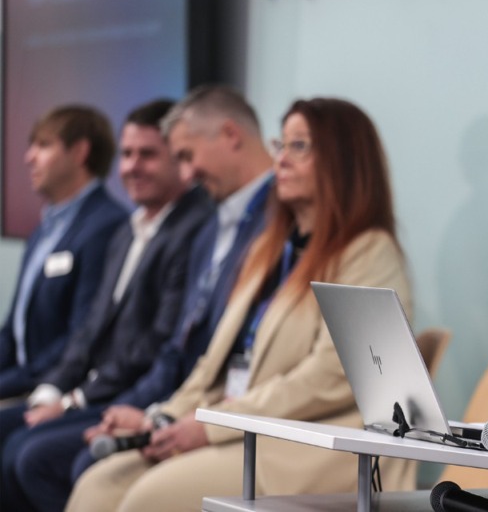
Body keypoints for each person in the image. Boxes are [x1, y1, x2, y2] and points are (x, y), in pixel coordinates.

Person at [67, 97, 417, 511]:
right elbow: (214, 364)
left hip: (303, 446)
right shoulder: (269, 250)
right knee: (98, 484)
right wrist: (161, 417)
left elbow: (331, 376)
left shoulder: (369, 252)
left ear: (343, 159)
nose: (281, 160)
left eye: (299, 147)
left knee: (146, 499)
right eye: (280, 145)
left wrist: (211, 427)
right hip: (241, 428)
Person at [0, 99, 213, 511]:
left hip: (133, 397)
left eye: (147, 154)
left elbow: (156, 344)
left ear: (181, 160)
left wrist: (72, 401)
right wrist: (53, 392)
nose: (131, 166)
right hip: (92, 390)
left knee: (29, 456)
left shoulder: (190, 231)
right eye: (127, 154)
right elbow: (89, 331)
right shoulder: (128, 231)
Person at [63, 85, 274, 489]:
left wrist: (162, 416)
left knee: (74, 466)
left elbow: (247, 359)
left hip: (231, 418)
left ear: (230, 135)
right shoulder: (211, 229)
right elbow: (182, 347)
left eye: (187, 156)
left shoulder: (277, 225)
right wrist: (154, 413)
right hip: (185, 405)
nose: (188, 174)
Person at [0, 105, 128, 401]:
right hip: (22, 379)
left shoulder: (107, 226)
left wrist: (11, 382)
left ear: (80, 151)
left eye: (43, 145)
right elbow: (12, 327)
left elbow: (81, 333)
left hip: (56, 386)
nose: (29, 157)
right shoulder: (44, 229)